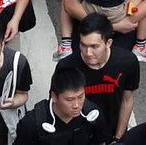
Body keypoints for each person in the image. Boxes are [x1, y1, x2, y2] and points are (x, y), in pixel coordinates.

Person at [58, 14, 139, 142]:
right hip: (78, 135)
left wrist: (118, 138)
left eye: (94, 46)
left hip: (111, 130)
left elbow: (127, 100)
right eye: (83, 45)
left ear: (108, 43)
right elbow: (58, 104)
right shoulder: (66, 67)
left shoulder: (127, 62)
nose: (88, 53)